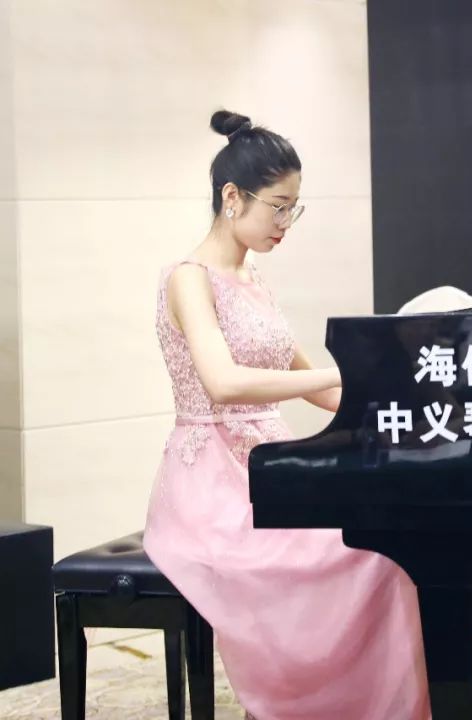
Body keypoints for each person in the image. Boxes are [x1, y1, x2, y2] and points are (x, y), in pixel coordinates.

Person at [142, 110, 430, 720]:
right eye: (278, 207)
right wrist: (338, 375)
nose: (285, 224)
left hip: (269, 464)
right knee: (349, 556)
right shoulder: (188, 279)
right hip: (210, 484)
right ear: (232, 197)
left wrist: (397, 401)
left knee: (385, 549)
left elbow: (317, 390)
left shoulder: (252, 279)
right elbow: (223, 384)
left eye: (293, 210)